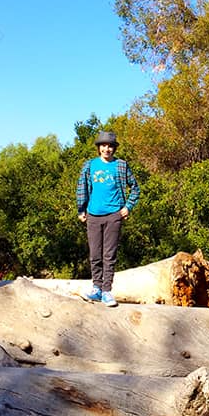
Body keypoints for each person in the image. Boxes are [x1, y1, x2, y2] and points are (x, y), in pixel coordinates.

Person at [76, 131, 140, 308]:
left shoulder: (121, 165)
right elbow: (82, 188)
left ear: (114, 148)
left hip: (114, 215)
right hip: (93, 215)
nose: (107, 149)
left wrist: (128, 207)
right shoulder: (90, 166)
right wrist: (81, 209)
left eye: (110, 146)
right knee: (95, 254)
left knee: (109, 255)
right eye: (103, 145)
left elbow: (135, 188)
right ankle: (96, 288)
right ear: (98, 148)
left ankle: (106, 291)